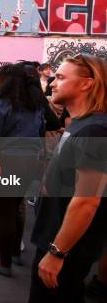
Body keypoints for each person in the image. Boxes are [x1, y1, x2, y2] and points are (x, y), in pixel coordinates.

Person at [29, 54, 107, 302]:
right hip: (57, 240)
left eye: (61, 77)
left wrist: (57, 253)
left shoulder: (94, 130)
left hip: (67, 250)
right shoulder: (82, 124)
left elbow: (87, 201)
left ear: (87, 83)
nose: (53, 82)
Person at [0, 64, 45, 277]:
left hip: (5, 162)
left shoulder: (0, 105)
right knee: (16, 207)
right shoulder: (34, 105)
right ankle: (16, 254)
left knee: (3, 213)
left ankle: (4, 263)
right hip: (30, 162)